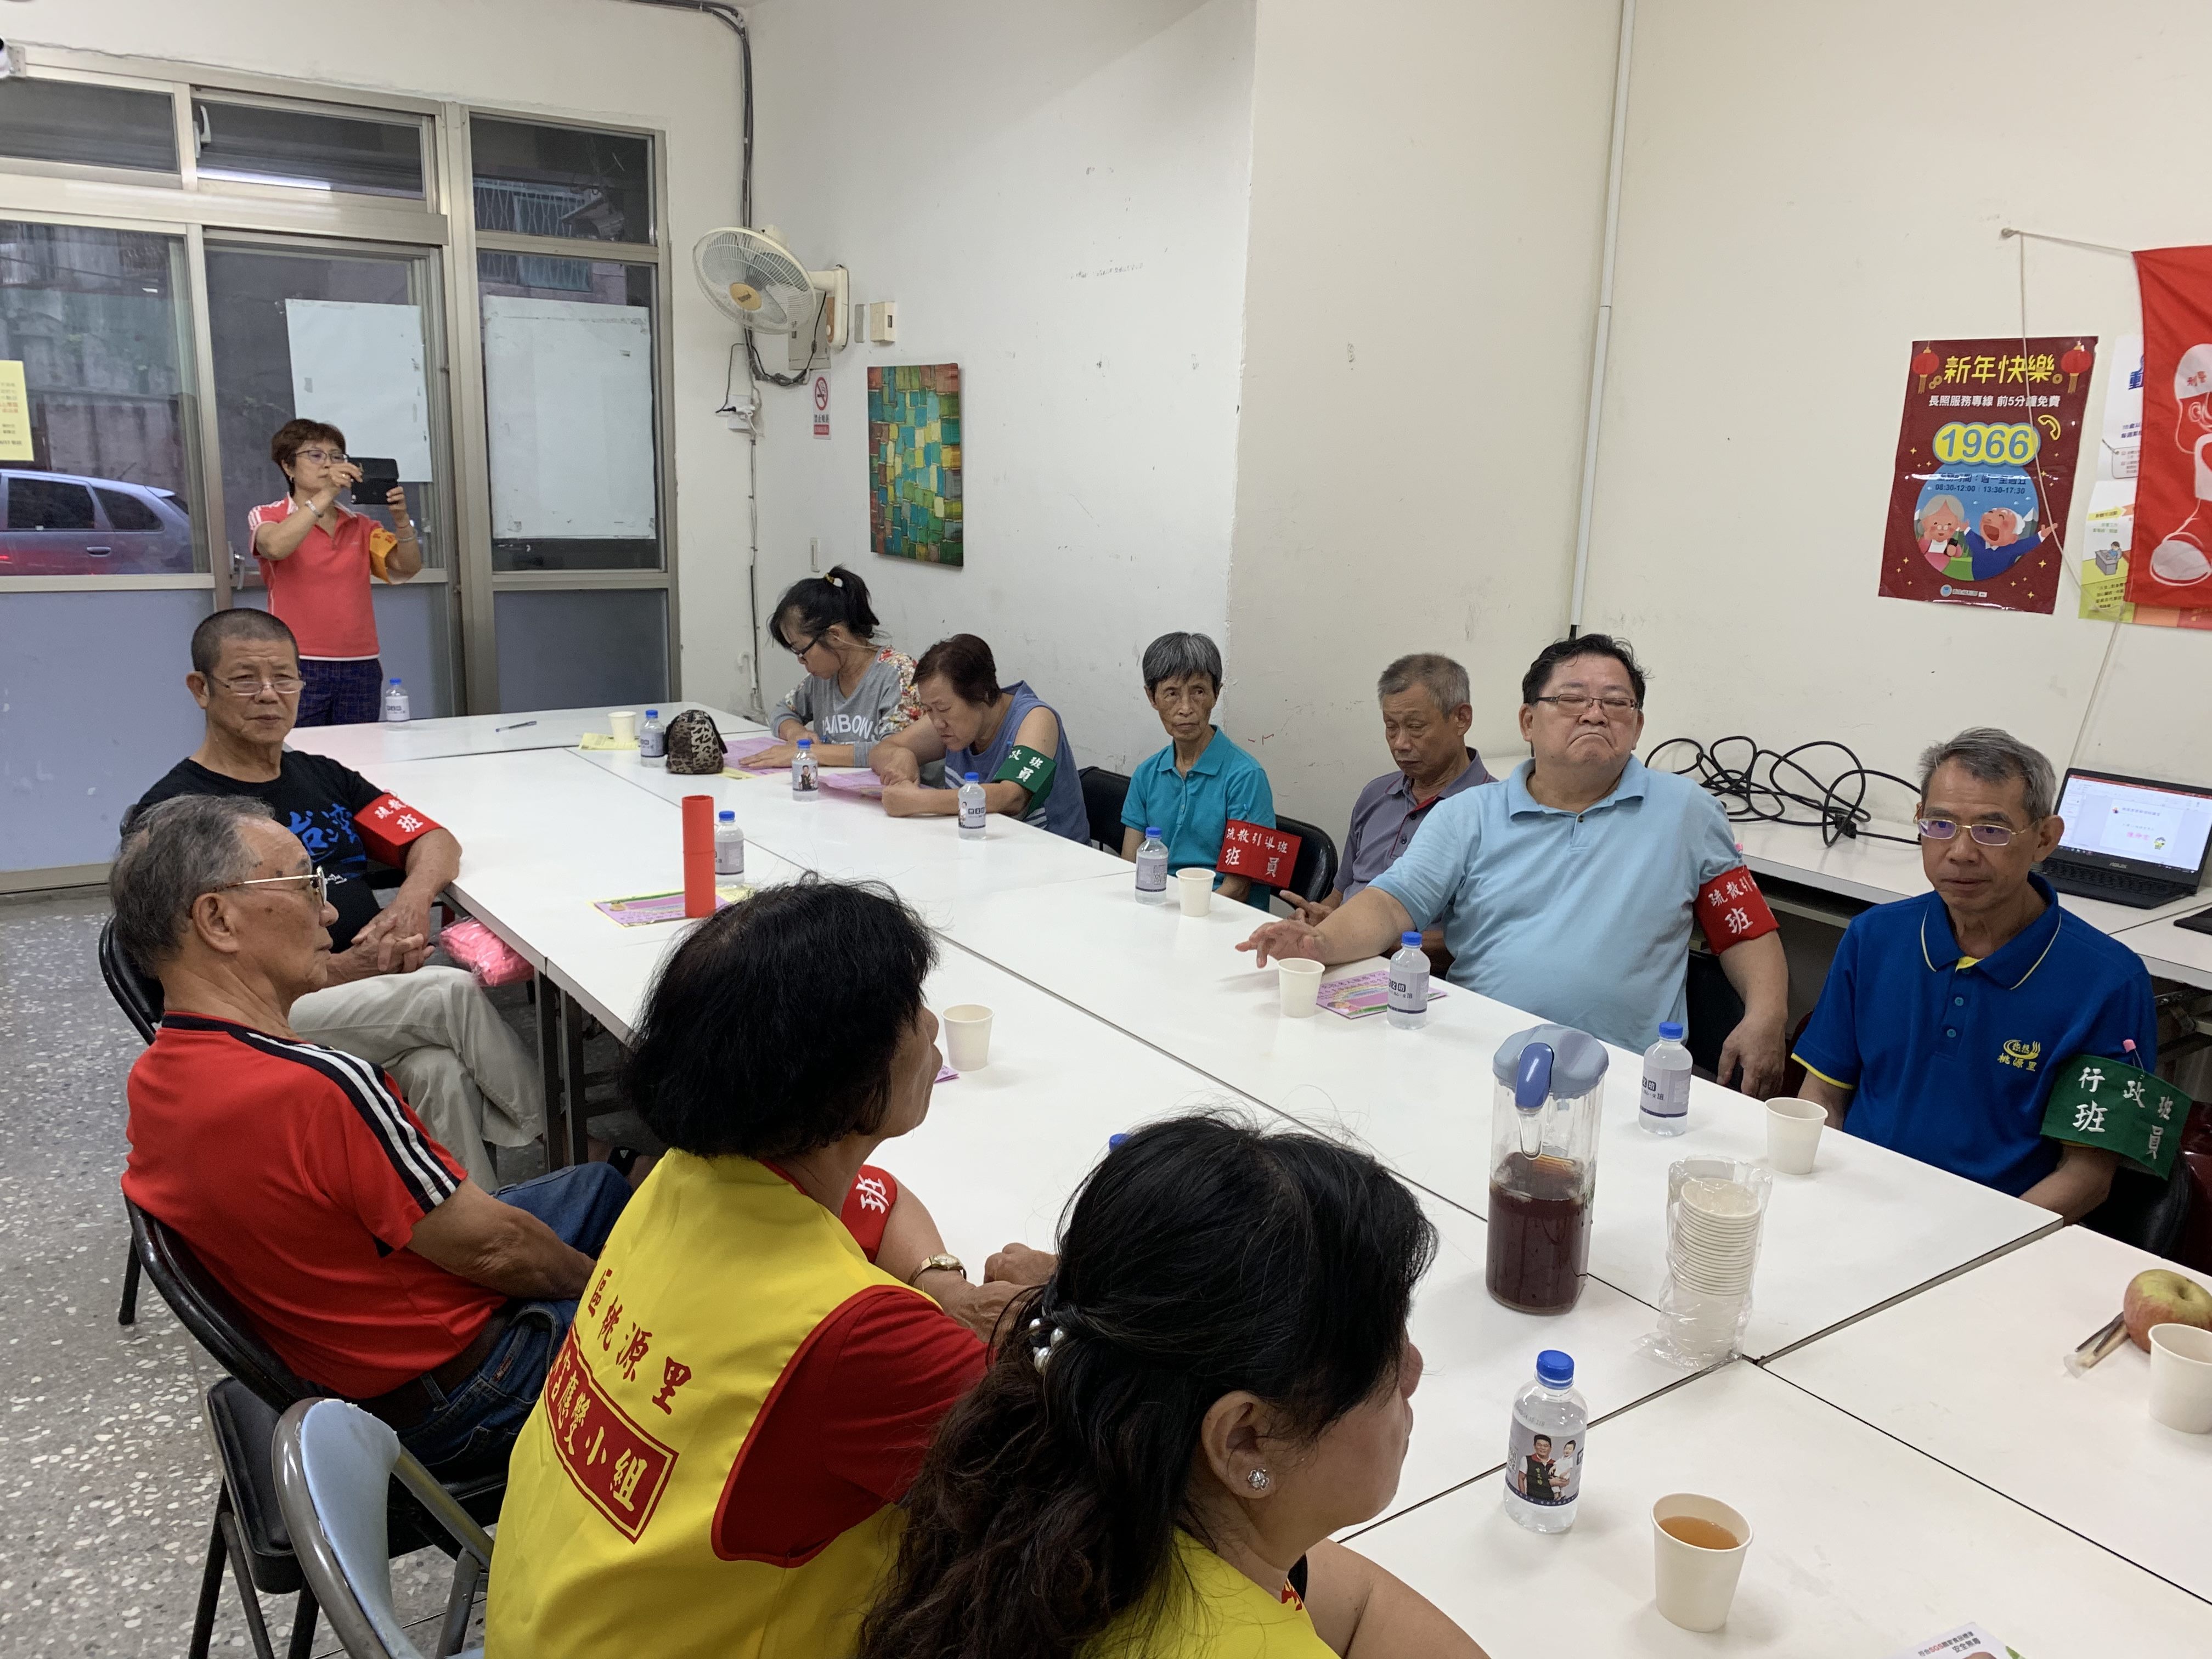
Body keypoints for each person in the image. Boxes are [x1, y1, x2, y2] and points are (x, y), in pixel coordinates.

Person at [488, 879, 1054, 1659]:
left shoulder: (683, 1181)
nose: (930, 1026)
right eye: (911, 1010)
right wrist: (1063, 1299)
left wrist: (941, 1281)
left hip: (547, 1621)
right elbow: (1091, 1464)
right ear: (849, 1087)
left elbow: (878, 1196)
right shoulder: (858, 1337)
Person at [114, 795, 629, 1474]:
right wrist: (606, 1295)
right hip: (463, 1397)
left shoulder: (156, 1078)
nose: (329, 912)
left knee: (597, 1188)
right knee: (678, 1314)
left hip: (353, 1371)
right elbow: (496, 1249)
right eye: (306, 885)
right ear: (218, 919)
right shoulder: (317, 1087)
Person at [857, 1115, 1484, 1659]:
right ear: (1243, 1439)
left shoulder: (1075, 1497)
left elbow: (1360, 1604)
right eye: (1381, 1358)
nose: (1414, 1369)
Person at [1239, 635, 1790, 1094]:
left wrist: (1768, 1015)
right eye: (1572, 699)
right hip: (1475, 1055)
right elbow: (1389, 903)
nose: (1595, 713)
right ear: (1528, 720)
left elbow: (1743, 927)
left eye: (1616, 702)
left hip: (1622, 1077)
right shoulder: (1469, 814)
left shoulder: (1688, 812)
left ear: (1638, 725)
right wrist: (1320, 943)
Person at [125, 608, 540, 1183]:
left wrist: (409, 905)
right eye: (245, 679)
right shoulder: (174, 815)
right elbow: (183, 973)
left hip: (362, 986)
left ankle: (470, 1220)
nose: (269, 695)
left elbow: (433, 840)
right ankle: (571, 1135)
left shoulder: (322, 776)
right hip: (262, 1016)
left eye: (284, 678)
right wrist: (343, 970)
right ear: (201, 689)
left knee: (436, 1068)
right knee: (447, 993)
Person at [1792, 729, 2156, 1219]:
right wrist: (1822, 1203)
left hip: (1997, 1232)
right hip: (1853, 1206)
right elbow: (1824, 1094)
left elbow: (2087, 1177)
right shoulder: (1874, 937)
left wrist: (1980, 1246)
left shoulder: (2109, 982)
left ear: (2045, 839)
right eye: (1940, 824)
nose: (1961, 851)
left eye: (1991, 830)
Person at [1290, 654, 1494, 969]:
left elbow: (1481, 938)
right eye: (1391, 727)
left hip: (1422, 978)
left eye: (1415, 727)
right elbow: (1341, 893)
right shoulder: (1376, 795)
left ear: (1461, 719)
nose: (1400, 744)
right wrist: (1319, 921)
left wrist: (1372, 939)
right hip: (1342, 960)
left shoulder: (1492, 813)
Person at [246, 417, 420, 726]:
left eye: (337, 456)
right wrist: (325, 494)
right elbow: (274, 547)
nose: (328, 464)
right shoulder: (269, 515)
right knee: (298, 750)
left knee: (359, 751)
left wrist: (402, 521)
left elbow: (407, 568)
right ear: (288, 467)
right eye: (315, 455)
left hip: (361, 663)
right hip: (298, 661)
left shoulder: (360, 524)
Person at [871, 633, 1088, 839]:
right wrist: (902, 755)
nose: (937, 723)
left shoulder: (1036, 719)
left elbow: (1012, 796)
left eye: (944, 708)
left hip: (1051, 856)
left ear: (982, 694)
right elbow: (881, 751)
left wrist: (919, 801)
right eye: (929, 710)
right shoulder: (948, 722)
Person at [1119, 631, 1277, 907]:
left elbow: (1237, 889)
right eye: (1171, 693)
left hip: (1223, 914)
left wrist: (1180, 914)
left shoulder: (1246, 777)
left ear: (1216, 694)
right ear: (1152, 697)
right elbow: (1130, 867)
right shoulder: (1147, 774)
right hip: (1159, 906)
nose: (1186, 708)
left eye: (1199, 692)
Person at [737, 566, 922, 771]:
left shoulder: (898, 673)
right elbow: (783, 710)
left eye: (802, 651)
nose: (801, 661)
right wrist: (796, 734)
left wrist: (808, 753)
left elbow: (893, 752)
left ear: (835, 637)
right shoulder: (824, 678)